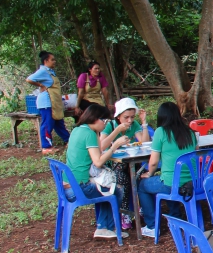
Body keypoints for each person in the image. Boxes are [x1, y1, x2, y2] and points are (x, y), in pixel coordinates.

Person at [65, 104, 129, 239]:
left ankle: (103, 227)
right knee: (116, 190)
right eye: (104, 120)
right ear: (95, 118)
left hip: (67, 185)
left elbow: (99, 149)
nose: (105, 124)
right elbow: (98, 162)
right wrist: (115, 145)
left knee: (107, 187)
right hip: (78, 187)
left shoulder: (79, 129)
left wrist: (115, 132)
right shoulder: (89, 133)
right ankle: (106, 227)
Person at [138, 102, 196, 238]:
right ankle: (175, 217)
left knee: (143, 185)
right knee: (168, 180)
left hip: (171, 183)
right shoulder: (190, 132)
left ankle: (152, 226)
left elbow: (153, 162)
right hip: (191, 182)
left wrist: (149, 173)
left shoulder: (161, 132)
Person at [100, 98, 150, 224]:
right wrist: (117, 131)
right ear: (118, 116)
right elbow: (101, 146)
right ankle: (125, 212)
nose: (129, 120)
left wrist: (144, 123)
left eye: (132, 117)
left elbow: (145, 143)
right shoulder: (110, 125)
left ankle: (142, 208)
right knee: (123, 178)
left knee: (140, 176)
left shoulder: (134, 125)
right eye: (126, 117)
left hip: (131, 160)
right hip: (112, 163)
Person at [26, 51, 70, 155]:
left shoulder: (50, 72)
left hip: (54, 102)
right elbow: (29, 79)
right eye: (52, 60)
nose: (54, 61)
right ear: (46, 61)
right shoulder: (43, 71)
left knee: (59, 122)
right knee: (47, 124)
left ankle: (68, 140)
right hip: (46, 102)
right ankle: (46, 147)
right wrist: (40, 85)